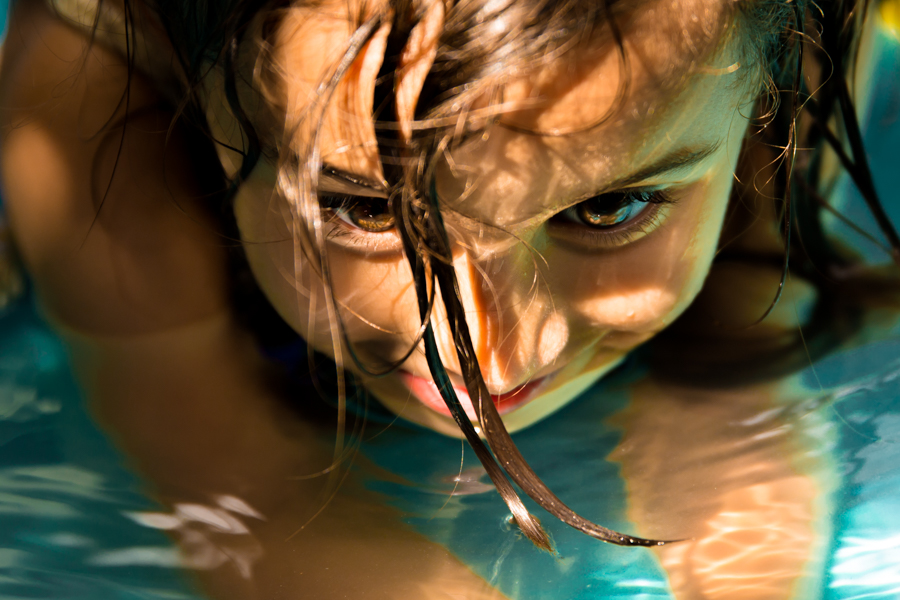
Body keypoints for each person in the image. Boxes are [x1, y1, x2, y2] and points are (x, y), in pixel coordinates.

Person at [0, 0, 897, 595]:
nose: (495, 364)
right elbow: (208, 448)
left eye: (611, 206)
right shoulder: (87, 84)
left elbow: (742, 333)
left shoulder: (769, 27)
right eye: (360, 207)